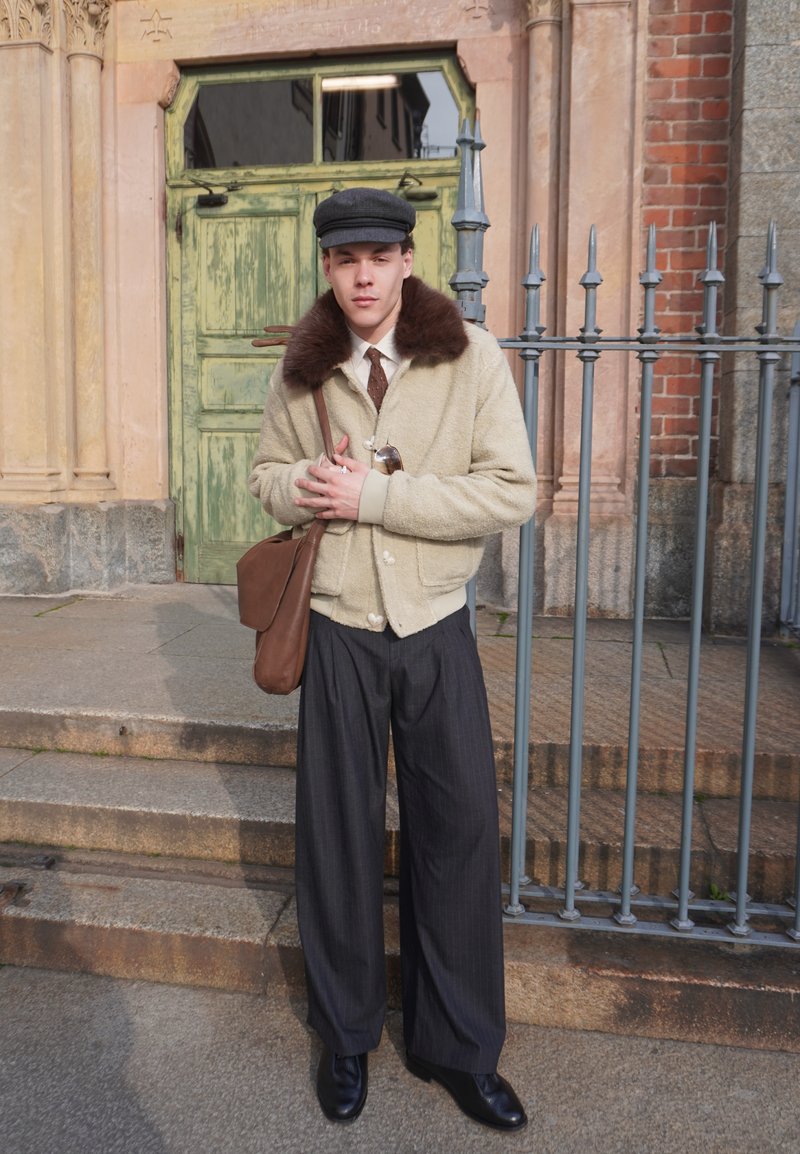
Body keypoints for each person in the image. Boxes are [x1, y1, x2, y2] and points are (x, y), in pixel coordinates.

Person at [248, 187, 536, 1131]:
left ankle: (458, 1048)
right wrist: (304, 483)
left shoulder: (470, 355)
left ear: (408, 260)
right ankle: (345, 1037)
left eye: (378, 254)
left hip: (435, 626)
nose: (362, 273)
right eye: (343, 259)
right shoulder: (303, 369)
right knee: (334, 835)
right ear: (327, 269)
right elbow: (263, 479)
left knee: (455, 835)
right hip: (335, 625)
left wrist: (375, 499)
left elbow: (511, 491)